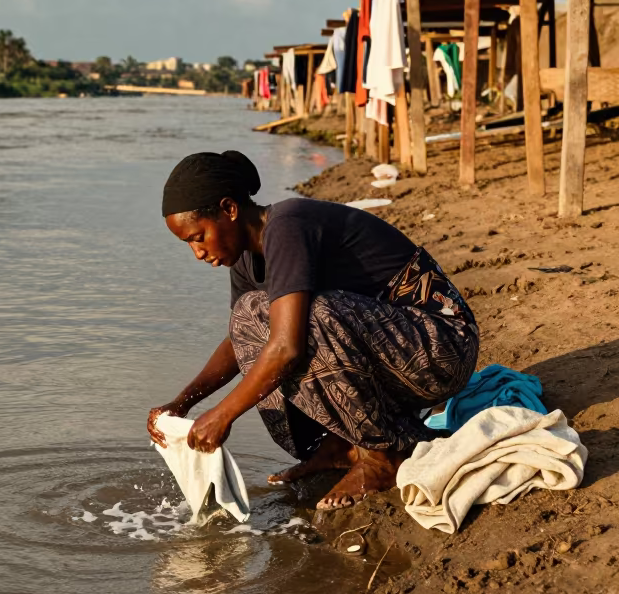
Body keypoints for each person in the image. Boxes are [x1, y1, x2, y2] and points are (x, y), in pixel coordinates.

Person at [147, 150, 478, 511]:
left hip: (442, 349)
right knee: (249, 318)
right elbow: (239, 339)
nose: (198, 253)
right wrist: (182, 403)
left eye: (199, 237)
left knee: (307, 319)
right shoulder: (245, 257)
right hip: (393, 359)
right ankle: (339, 446)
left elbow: (286, 347)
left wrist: (224, 414)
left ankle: (384, 457)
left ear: (229, 209)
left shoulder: (287, 225)